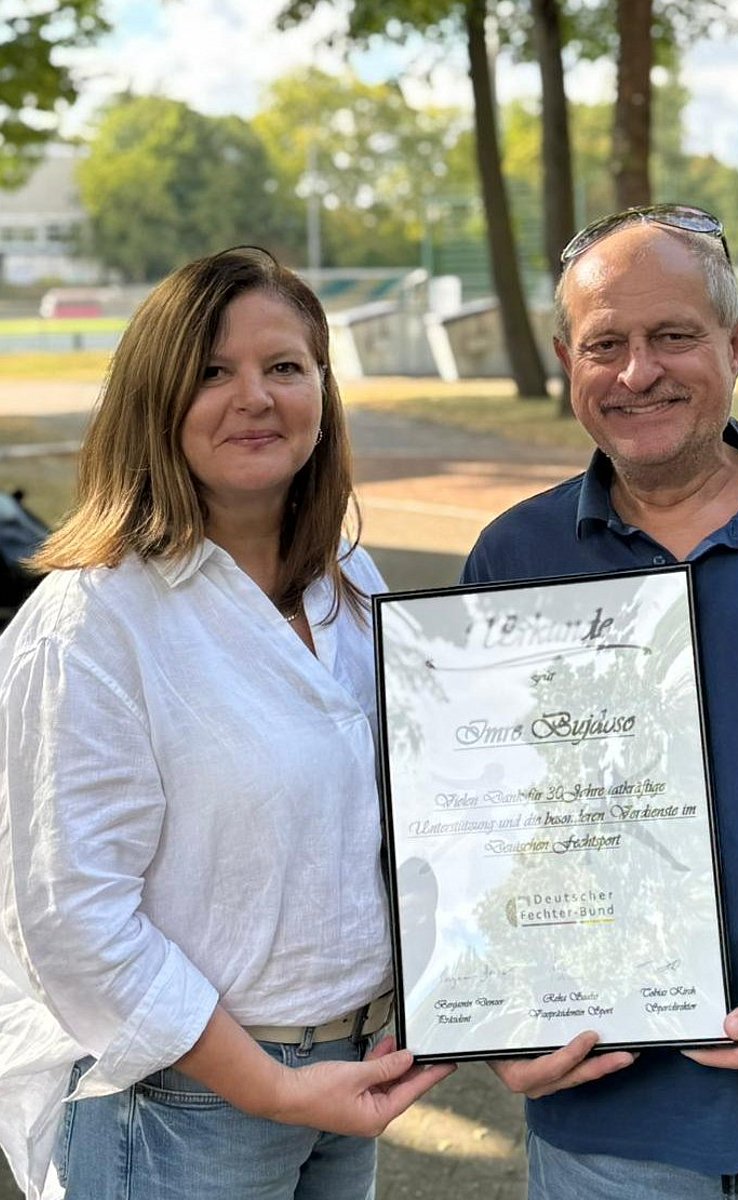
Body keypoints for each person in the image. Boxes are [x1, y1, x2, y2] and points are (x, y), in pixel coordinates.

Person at [460, 204, 738, 1198]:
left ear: (736, 344)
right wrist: (489, 1018)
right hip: (607, 1134)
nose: (637, 372)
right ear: (567, 360)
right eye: (604, 344)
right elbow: (469, 825)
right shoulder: (514, 556)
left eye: (673, 336)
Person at [0, 246, 453, 1200]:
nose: (254, 397)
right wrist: (270, 1088)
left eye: (283, 366)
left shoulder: (350, 583)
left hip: (351, 1071)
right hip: (184, 1106)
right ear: (153, 400)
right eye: (211, 371)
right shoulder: (93, 620)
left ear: (322, 389)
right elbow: (75, 921)